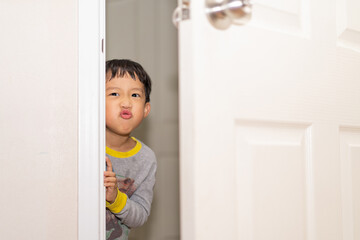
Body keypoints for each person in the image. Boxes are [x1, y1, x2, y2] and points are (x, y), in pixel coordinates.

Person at [103, 59, 157, 240]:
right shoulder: (85, 147)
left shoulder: (146, 158)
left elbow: (140, 215)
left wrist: (115, 198)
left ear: (146, 109)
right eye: (114, 93)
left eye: (134, 95)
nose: (126, 103)